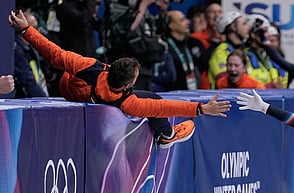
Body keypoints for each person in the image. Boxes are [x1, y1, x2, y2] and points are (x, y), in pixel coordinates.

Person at [8, 9, 231, 149]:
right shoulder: (127, 102)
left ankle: (168, 135)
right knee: (153, 98)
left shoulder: (90, 67)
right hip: (78, 91)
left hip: (68, 86)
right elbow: (162, 107)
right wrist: (201, 109)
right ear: (128, 85)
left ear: (110, 67)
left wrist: (26, 30)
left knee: (64, 58)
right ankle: (167, 135)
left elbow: (53, 53)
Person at [152, 10, 200, 91]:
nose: (188, 22)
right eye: (182, 20)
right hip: (172, 95)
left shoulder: (190, 43)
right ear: (172, 26)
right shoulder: (163, 46)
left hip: (191, 92)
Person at [208, 11, 250, 88]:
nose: (247, 27)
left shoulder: (243, 51)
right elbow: (226, 83)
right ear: (233, 27)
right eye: (244, 24)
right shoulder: (220, 52)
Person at [13, 9, 49, 98]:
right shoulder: (17, 50)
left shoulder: (31, 49)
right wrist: (45, 101)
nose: (38, 32)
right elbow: (27, 81)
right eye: (34, 28)